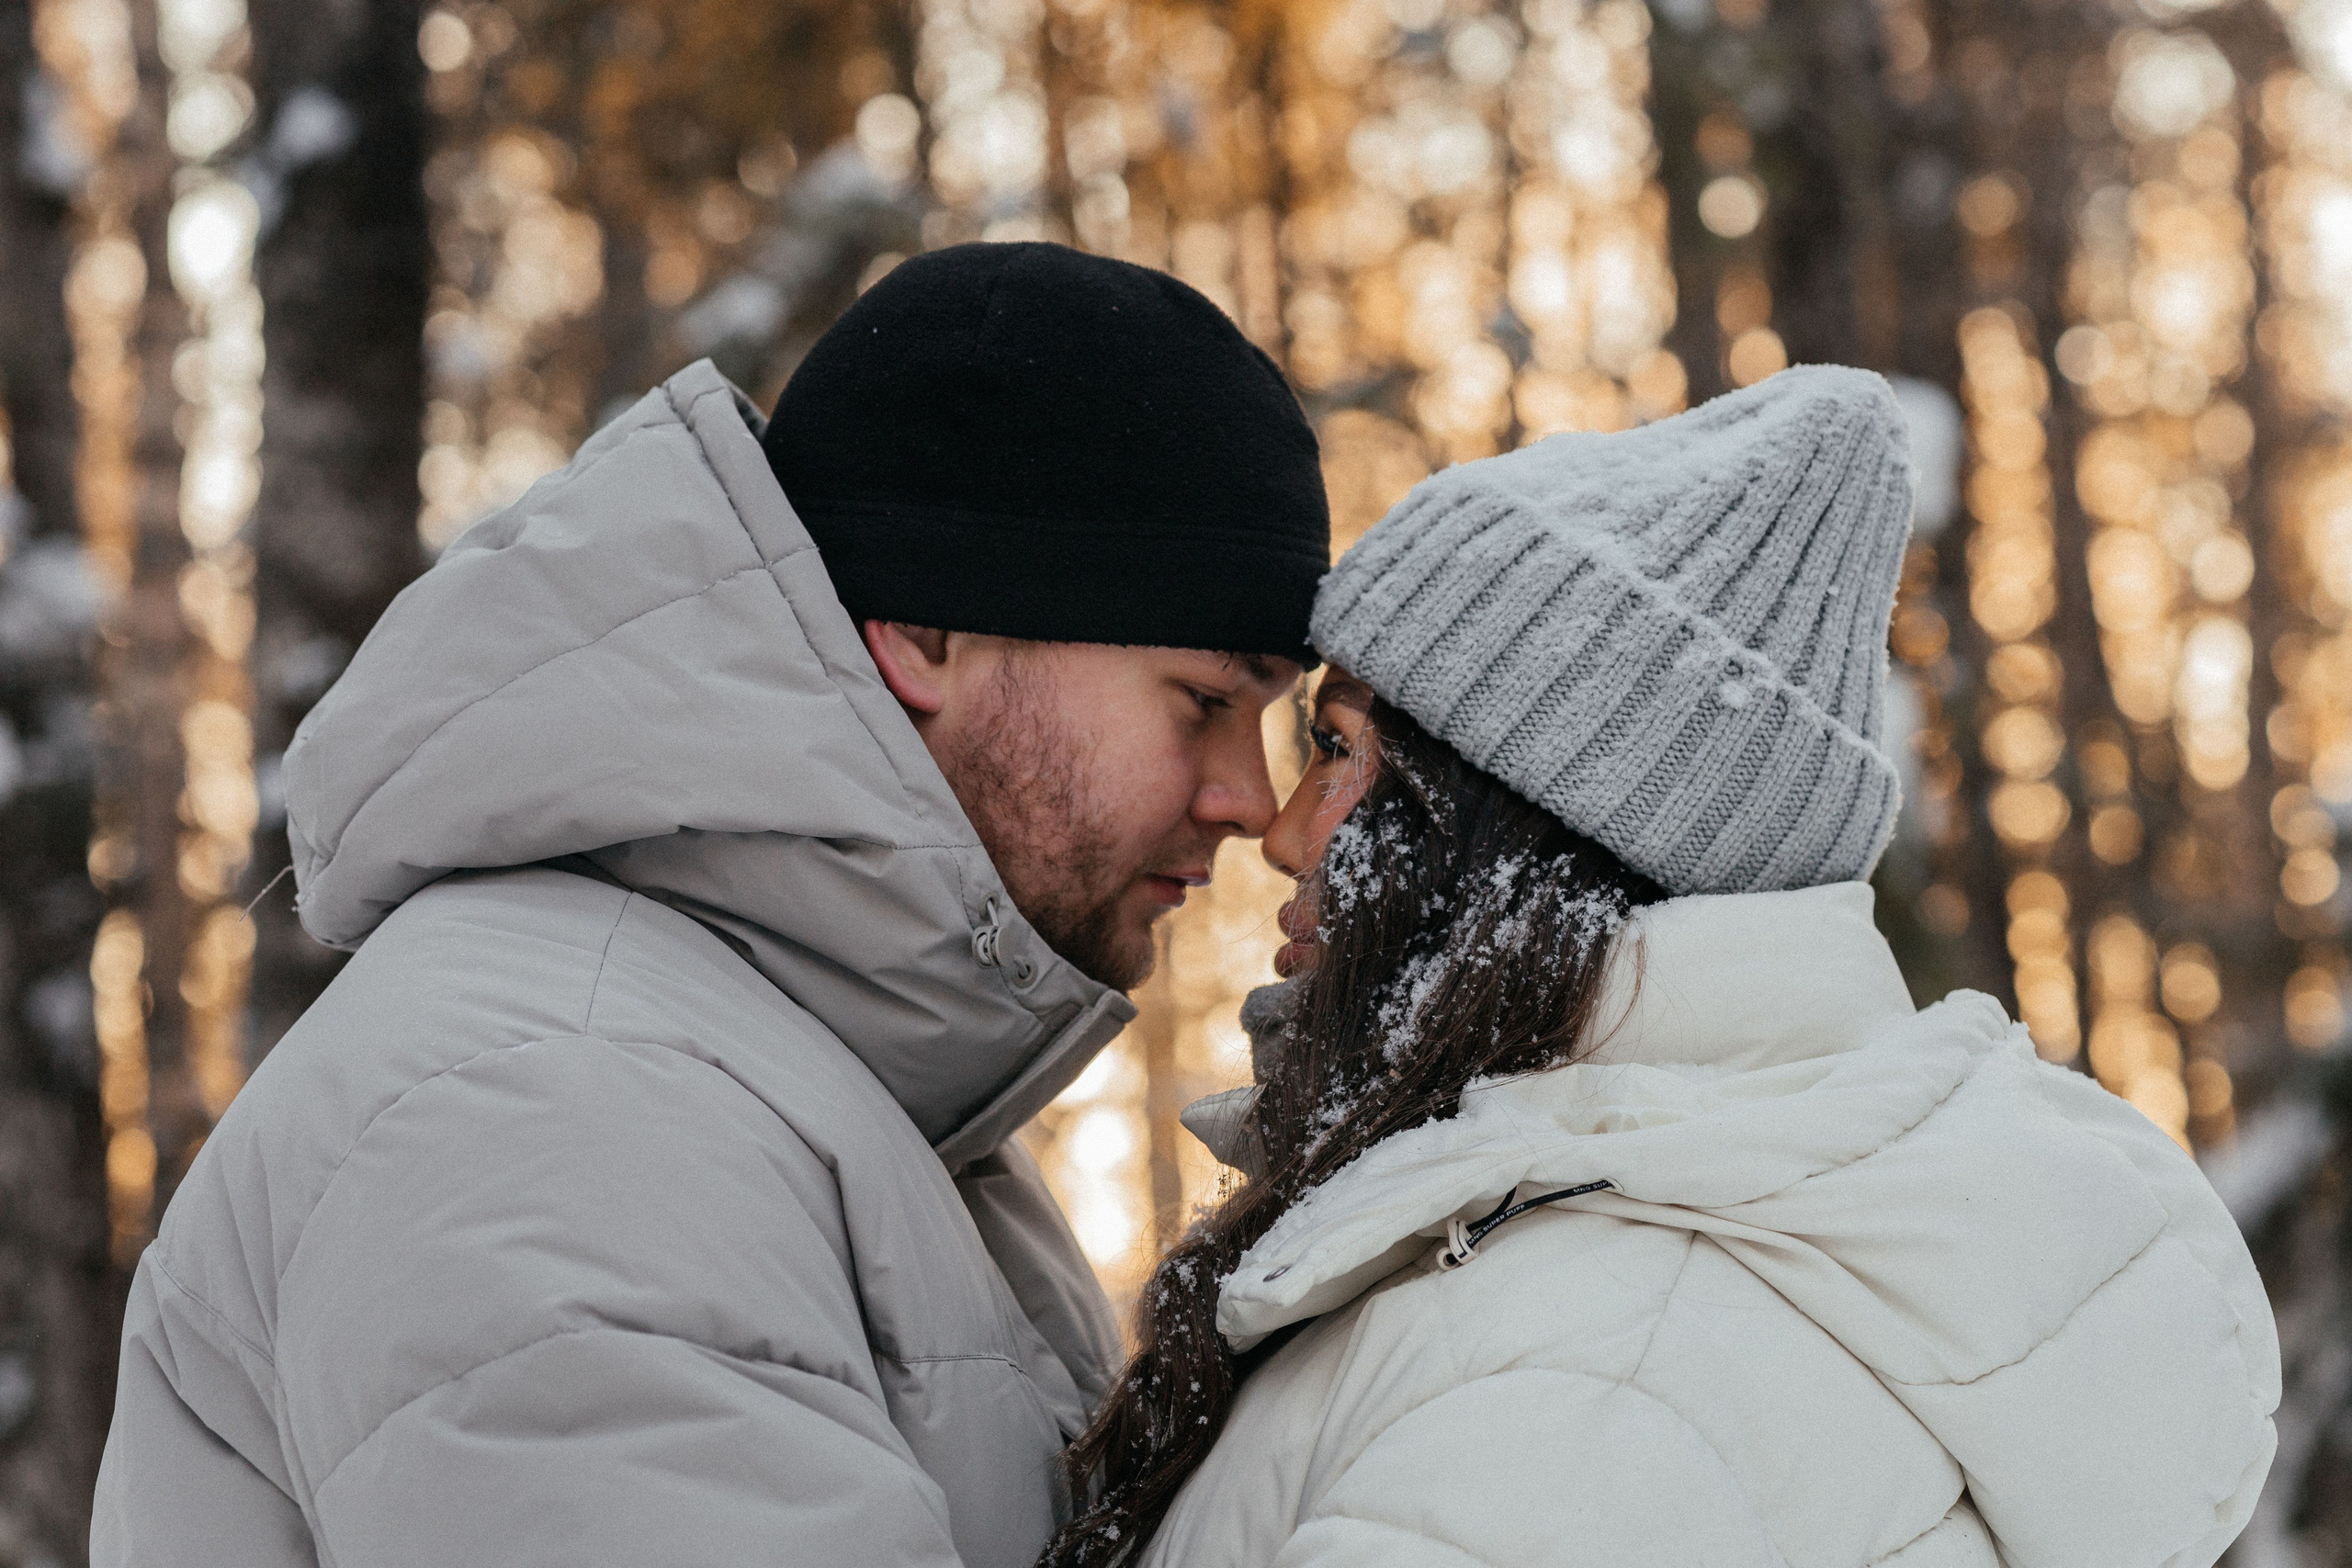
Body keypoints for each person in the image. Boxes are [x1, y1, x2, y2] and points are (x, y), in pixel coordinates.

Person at [89, 243, 1328, 1568]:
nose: (1253, 802)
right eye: (1205, 702)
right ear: (924, 636)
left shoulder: (823, 1094)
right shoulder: (556, 1105)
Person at [1044, 366, 2280, 1568]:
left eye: (1341, 749)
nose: (1285, 830)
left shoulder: (1587, 1389)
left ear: (1536, 831)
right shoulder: (1582, 1283)